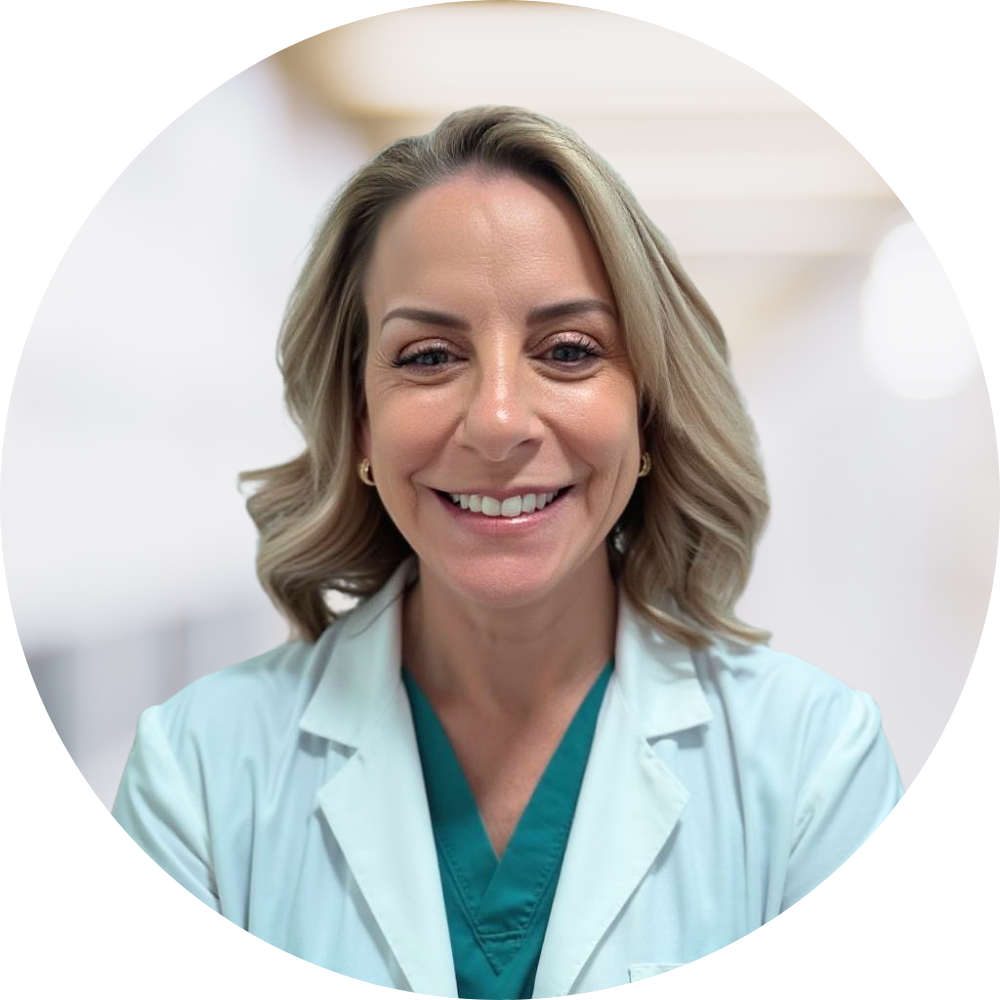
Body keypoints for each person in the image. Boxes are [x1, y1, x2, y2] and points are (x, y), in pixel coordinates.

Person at [112, 106, 903, 999]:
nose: (496, 421)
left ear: (648, 417)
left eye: (568, 350)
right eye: (428, 357)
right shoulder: (200, 775)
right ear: (360, 422)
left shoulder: (813, 765)